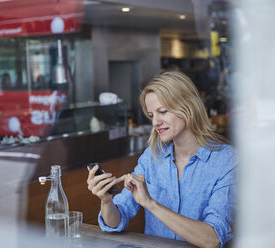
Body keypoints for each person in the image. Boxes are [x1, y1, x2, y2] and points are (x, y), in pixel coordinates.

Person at [87, 71, 237, 248]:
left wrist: (150, 204)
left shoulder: (226, 161)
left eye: (163, 112)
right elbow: (115, 221)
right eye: (151, 115)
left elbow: (212, 239)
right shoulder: (151, 157)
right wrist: (107, 201)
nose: (155, 122)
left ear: (188, 107)